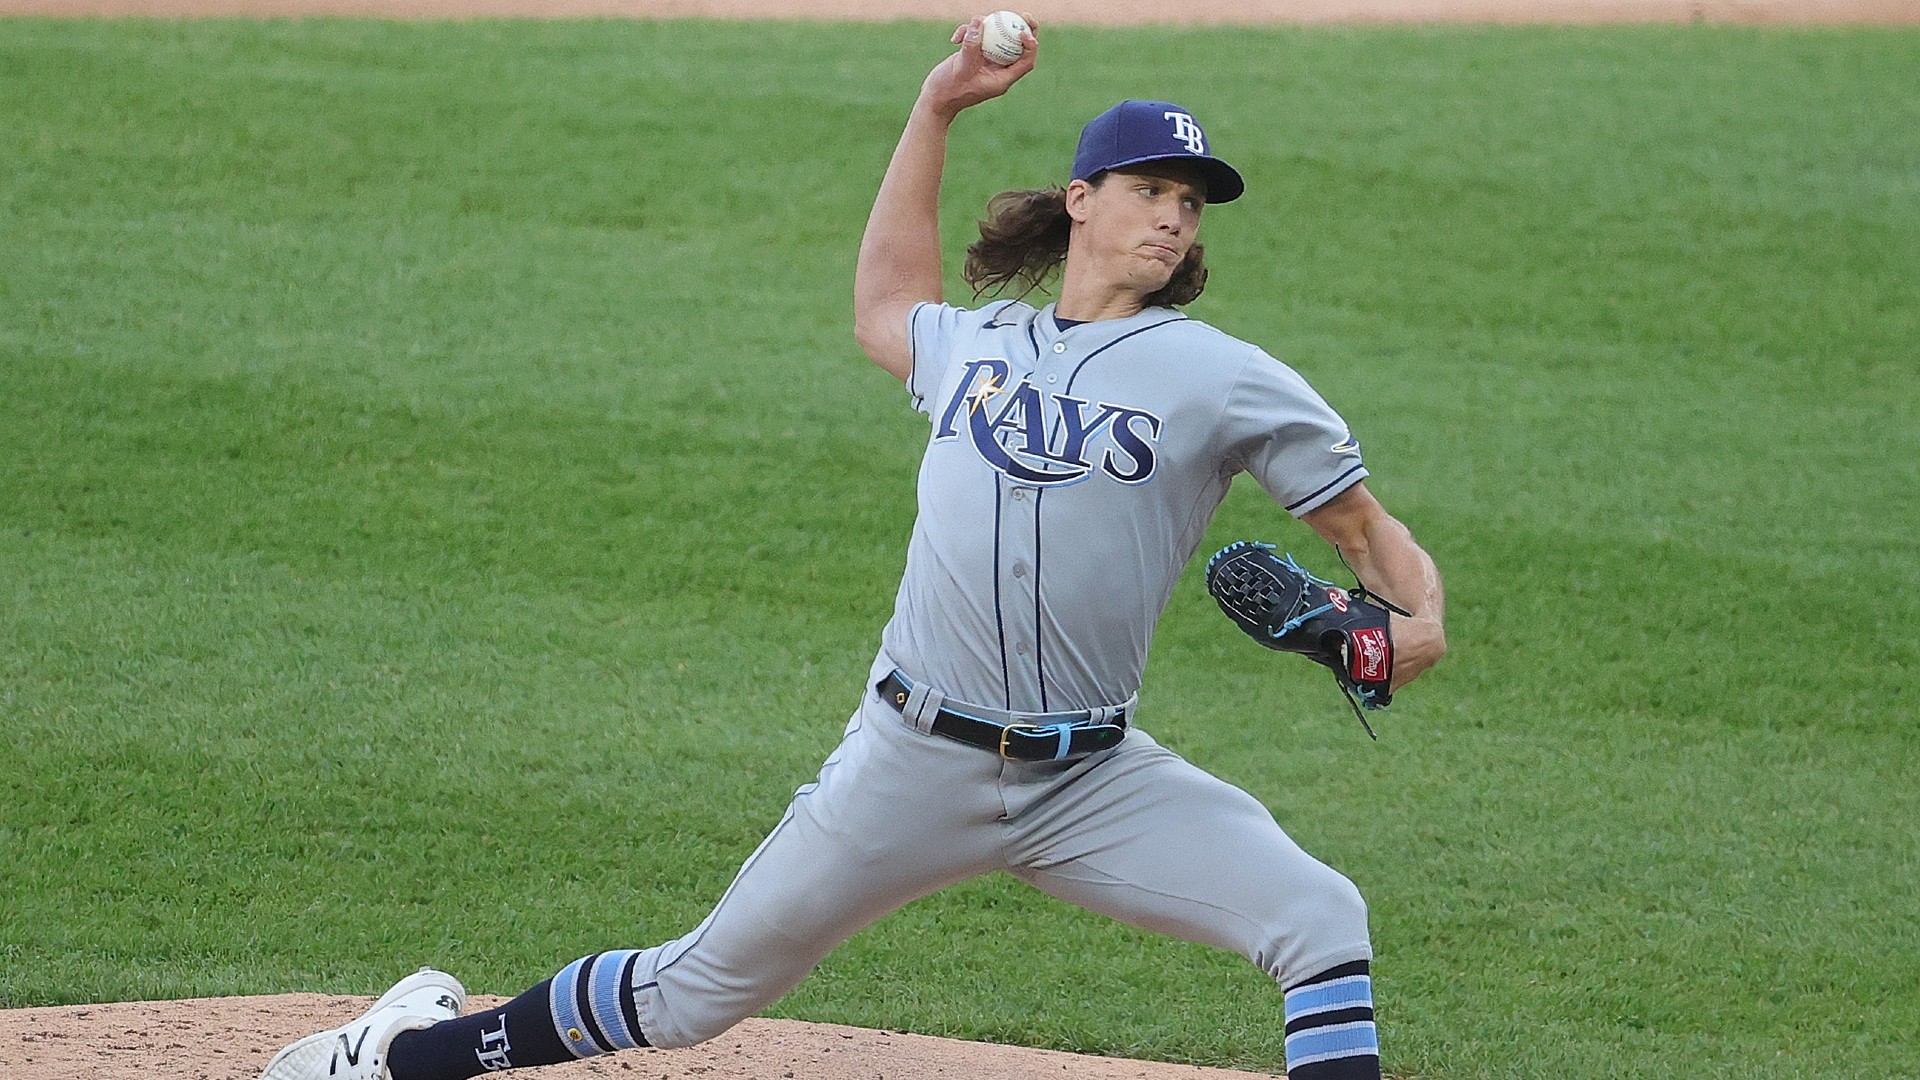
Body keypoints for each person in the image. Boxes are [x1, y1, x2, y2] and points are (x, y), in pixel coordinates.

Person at [259, 13, 1446, 1080]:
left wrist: (1407, 634)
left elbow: (1370, 539)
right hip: (910, 759)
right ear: (1083, 197)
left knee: (1321, 917)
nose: (1175, 218)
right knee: (693, 994)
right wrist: (934, 108)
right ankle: (401, 1058)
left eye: (1192, 205)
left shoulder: (1225, 377)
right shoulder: (976, 348)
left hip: (1093, 779)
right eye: (1152, 189)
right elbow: (885, 304)